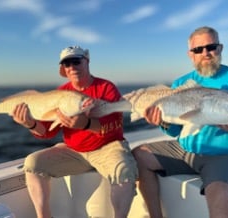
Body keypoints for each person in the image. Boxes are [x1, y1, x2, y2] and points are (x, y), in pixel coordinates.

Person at [132, 26, 228, 218]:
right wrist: (163, 122)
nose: (206, 53)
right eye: (198, 49)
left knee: (223, 196)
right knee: (138, 155)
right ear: (190, 54)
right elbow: (177, 131)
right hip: (185, 150)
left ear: (220, 48)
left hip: (227, 155)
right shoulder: (181, 83)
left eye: (211, 47)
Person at [12, 45, 138, 218]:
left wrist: (86, 123)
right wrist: (30, 124)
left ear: (87, 61)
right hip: (74, 151)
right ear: (63, 68)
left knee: (124, 172)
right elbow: (47, 132)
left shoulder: (106, 87)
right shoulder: (61, 92)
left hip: (108, 148)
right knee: (32, 164)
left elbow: (115, 124)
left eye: (76, 61)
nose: (72, 67)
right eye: (67, 63)